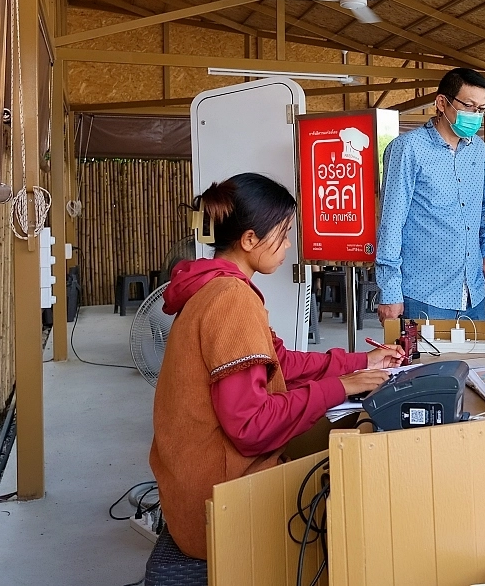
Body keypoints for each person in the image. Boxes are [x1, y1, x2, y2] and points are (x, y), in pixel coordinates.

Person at [149, 173, 404, 559]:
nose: (288, 245)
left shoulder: (216, 284)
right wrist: (343, 387)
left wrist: (359, 363)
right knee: (360, 504)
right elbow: (251, 428)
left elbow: (279, 362)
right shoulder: (231, 299)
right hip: (216, 506)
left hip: (192, 489)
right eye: (283, 234)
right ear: (250, 240)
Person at [376, 68, 485, 322]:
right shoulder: (408, 149)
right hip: (423, 294)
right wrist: (390, 290)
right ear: (442, 102)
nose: (474, 116)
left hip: (473, 291)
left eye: (480, 109)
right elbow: (391, 223)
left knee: (474, 362)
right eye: (469, 106)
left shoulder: (479, 151)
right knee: (426, 363)